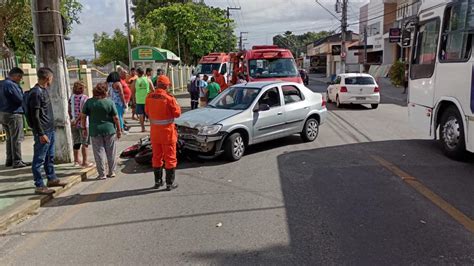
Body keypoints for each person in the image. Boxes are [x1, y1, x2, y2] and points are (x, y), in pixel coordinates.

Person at [26, 67, 67, 195]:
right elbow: (35, 115)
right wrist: (41, 133)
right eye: (51, 78)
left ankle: (52, 178)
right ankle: (39, 185)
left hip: (50, 129)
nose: (52, 80)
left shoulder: (43, 90)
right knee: (39, 159)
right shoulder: (36, 93)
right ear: (47, 78)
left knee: (50, 156)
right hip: (43, 131)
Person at [145, 75, 181, 191]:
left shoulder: (149, 97)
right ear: (166, 86)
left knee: (156, 157)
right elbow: (177, 114)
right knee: (170, 158)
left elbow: (147, 112)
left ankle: (157, 182)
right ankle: (169, 183)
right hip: (167, 134)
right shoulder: (169, 98)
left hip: (155, 133)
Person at [81, 83, 121, 180]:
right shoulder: (109, 102)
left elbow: (83, 116)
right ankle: (111, 172)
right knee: (111, 151)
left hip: (95, 130)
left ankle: (102, 174)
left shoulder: (89, 102)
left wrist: (84, 128)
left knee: (99, 152)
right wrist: (119, 130)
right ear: (105, 92)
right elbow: (116, 118)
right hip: (109, 129)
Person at [0, 67, 29, 168]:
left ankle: (10, 160)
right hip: (13, 113)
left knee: (9, 138)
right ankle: (17, 161)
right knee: (16, 138)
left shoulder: (2, 83)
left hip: (3, 113)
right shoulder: (11, 85)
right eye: (20, 77)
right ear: (16, 76)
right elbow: (19, 99)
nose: (20, 80)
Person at [68, 81, 92, 167]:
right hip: (83, 123)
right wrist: (78, 120)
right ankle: (85, 161)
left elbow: (69, 110)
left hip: (73, 123)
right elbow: (83, 112)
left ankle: (76, 161)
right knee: (85, 143)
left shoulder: (72, 98)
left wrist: (72, 119)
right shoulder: (85, 98)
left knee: (76, 142)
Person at [135, 67, 151, 132]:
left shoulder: (136, 80)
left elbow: (133, 91)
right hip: (147, 100)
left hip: (139, 100)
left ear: (138, 73)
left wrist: (133, 99)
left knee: (141, 114)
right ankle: (152, 127)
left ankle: (143, 128)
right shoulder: (148, 79)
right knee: (149, 114)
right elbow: (153, 89)